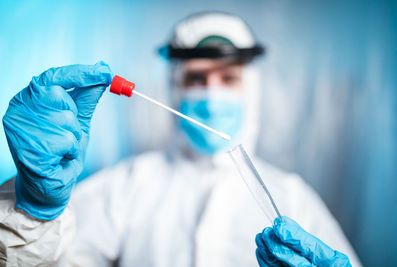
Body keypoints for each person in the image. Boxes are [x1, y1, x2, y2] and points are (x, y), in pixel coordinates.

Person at [0, 12, 361, 266]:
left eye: (228, 79)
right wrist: (35, 211)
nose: (213, 93)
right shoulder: (126, 187)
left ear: (252, 90)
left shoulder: (294, 198)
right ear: (174, 88)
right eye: (196, 79)